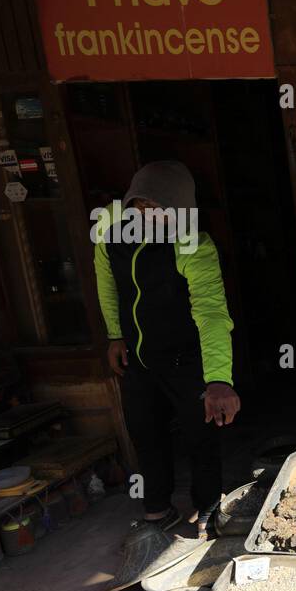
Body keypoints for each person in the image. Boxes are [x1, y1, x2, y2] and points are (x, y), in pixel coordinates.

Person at [93, 161, 240, 534]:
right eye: (142, 206)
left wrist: (219, 380)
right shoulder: (110, 232)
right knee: (145, 432)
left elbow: (211, 314)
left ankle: (208, 507)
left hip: (186, 358)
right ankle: (157, 509)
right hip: (138, 360)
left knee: (200, 434)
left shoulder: (194, 246)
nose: (150, 215)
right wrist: (114, 335)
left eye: (161, 209)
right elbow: (106, 284)